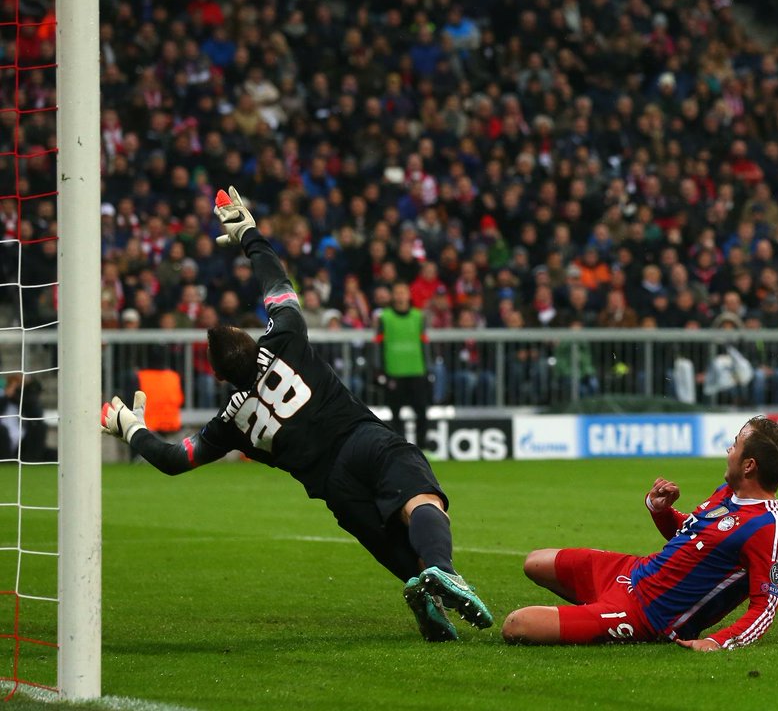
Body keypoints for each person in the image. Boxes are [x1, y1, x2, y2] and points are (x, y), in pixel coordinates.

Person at [100, 187, 492, 642]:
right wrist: (249, 232)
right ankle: (443, 571)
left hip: (335, 489)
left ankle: (426, 594)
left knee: (388, 543)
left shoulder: (231, 423)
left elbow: (175, 458)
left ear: (221, 377)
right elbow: (275, 281)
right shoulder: (284, 336)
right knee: (419, 499)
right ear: (252, 340)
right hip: (362, 440)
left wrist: (131, 428)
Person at [502, 415, 778, 649]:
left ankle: (600, 619)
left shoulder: (769, 527)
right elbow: (691, 539)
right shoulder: (727, 493)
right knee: (535, 562)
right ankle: (595, 615)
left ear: (749, 466)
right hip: (633, 572)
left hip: (647, 615)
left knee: (517, 624)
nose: (728, 450)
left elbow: (765, 607)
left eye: (735, 445)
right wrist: (661, 511)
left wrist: (717, 642)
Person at [376, 282, 433, 450]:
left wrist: (428, 368)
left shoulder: (418, 316)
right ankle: (400, 449)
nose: (400, 296)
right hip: (394, 371)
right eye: (397, 292)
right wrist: (380, 369)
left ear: (409, 295)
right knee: (396, 413)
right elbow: (378, 345)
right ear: (393, 296)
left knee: (421, 411)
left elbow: (425, 344)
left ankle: (423, 446)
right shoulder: (384, 317)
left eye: (403, 292)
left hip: (417, 370)